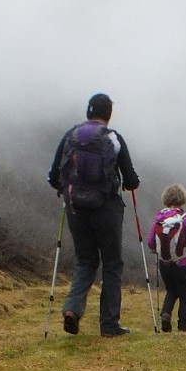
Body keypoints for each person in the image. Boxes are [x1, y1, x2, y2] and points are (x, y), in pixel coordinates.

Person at [47, 93, 141, 337]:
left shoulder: (71, 136)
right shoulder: (113, 138)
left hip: (75, 207)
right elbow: (130, 180)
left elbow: (53, 176)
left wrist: (67, 191)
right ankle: (109, 325)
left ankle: (72, 310)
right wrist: (130, 183)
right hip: (106, 208)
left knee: (85, 261)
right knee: (111, 263)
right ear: (108, 114)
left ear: (88, 112)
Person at [146, 184, 186, 332]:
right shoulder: (185, 219)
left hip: (164, 263)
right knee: (185, 295)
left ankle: (166, 314)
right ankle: (182, 328)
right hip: (182, 263)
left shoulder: (159, 217)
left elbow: (150, 242)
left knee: (171, 290)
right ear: (182, 199)